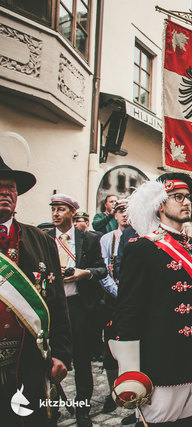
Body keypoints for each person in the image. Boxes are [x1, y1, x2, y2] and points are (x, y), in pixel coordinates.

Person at [111, 173, 192, 426]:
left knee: (188, 421)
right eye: (178, 197)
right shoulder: (142, 248)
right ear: (159, 204)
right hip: (161, 363)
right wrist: (131, 373)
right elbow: (128, 312)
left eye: (188, 197)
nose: (186, 202)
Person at [0, 156, 72, 426]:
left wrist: (62, 354)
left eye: (11, 188)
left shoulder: (41, 241)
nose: (6, 193)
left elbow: (57, 304)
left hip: (30, 362)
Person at [49, 194, 107, 427]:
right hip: (54, 307)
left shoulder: (89, 239)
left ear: (72, 212)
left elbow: (102, 270)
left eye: (61, 209)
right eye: (53, 209)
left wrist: (85, 273)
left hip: (79, 306)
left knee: (82, 360)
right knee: (51, 360)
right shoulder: (44, 238)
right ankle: (52, 406)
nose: (55, 213)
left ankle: (82, 408)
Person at [97, 200, 129, 414]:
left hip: (134, 302)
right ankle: (112, 391)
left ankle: (133, 390)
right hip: (113, 301)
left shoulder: (140, 236)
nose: (125, 215)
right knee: (110, 349)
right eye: (120, 211)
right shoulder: (108, 238)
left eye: (129, 211)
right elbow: (103, 270)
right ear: (114, 215)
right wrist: (119, 292)